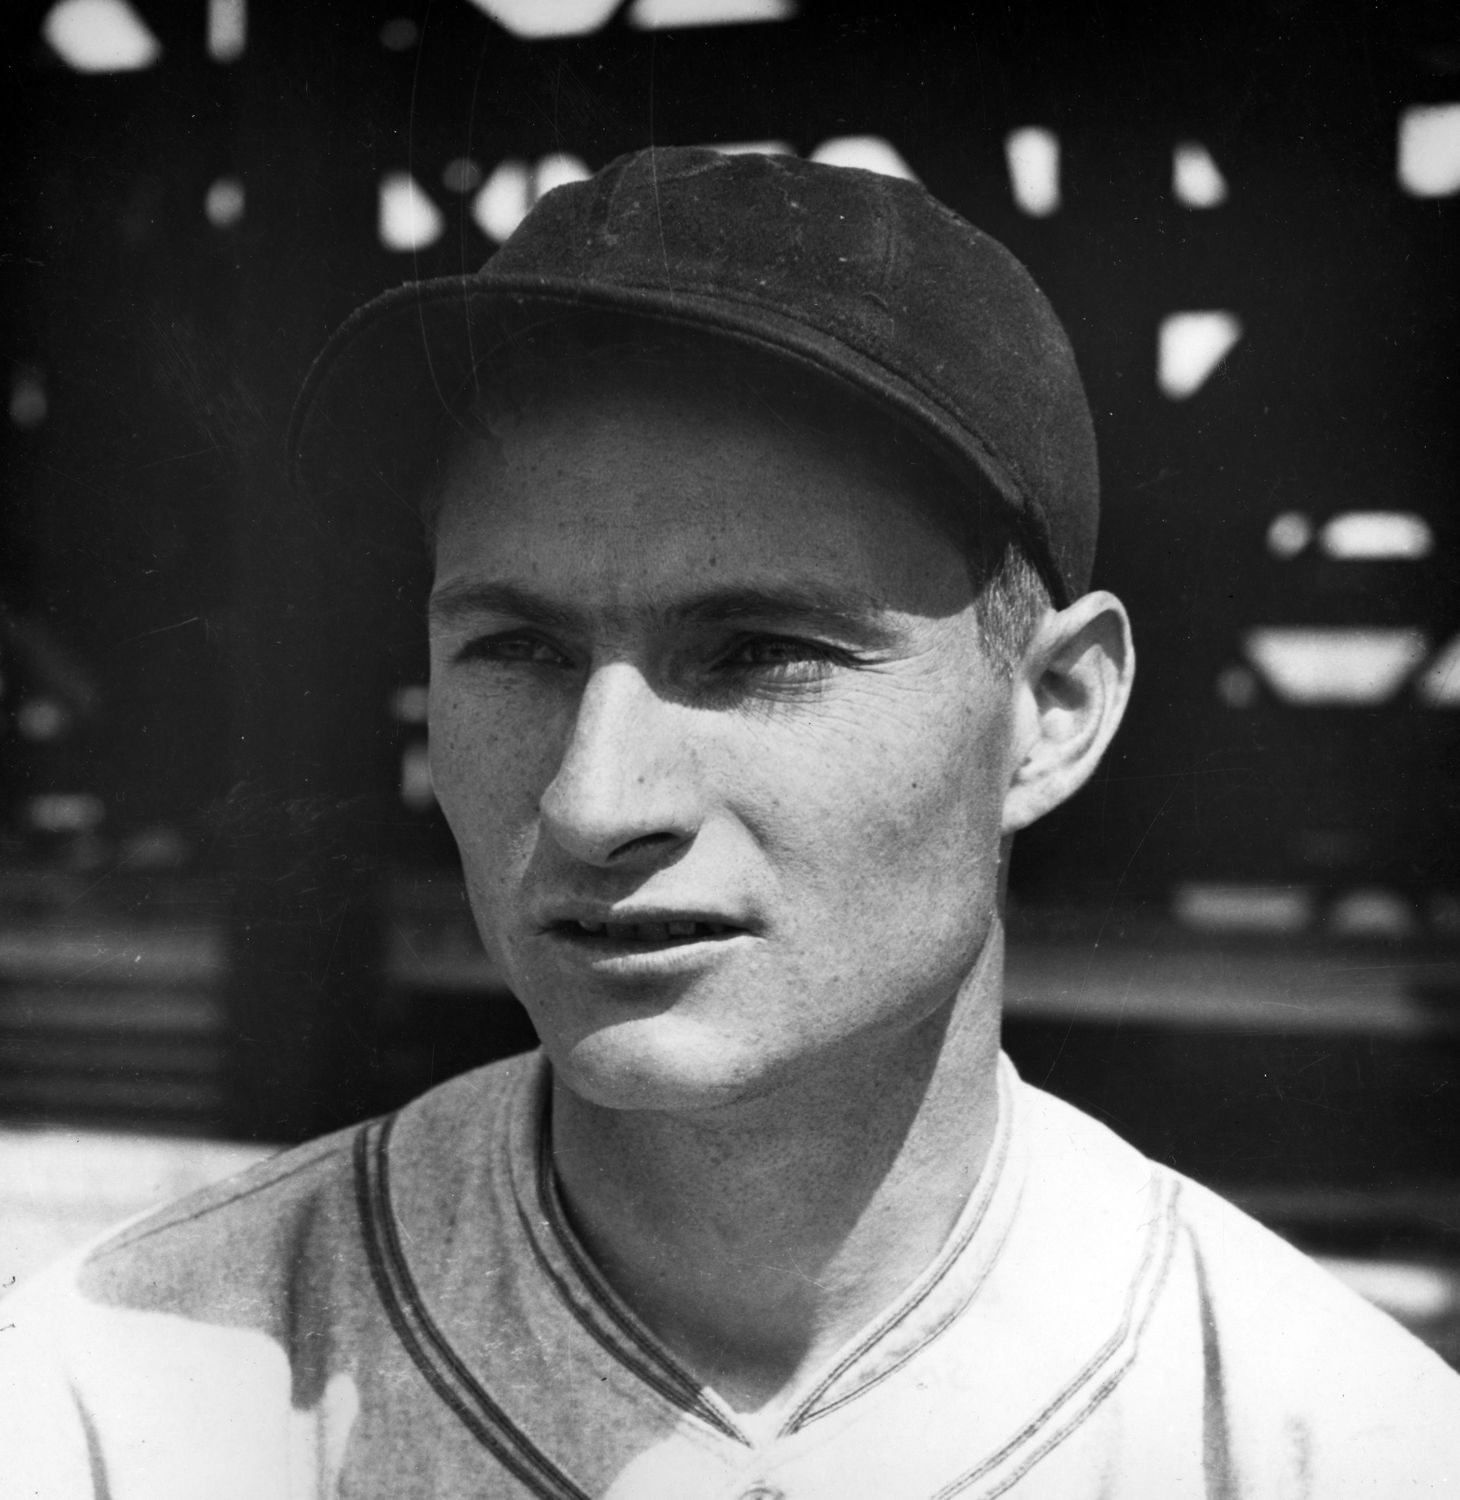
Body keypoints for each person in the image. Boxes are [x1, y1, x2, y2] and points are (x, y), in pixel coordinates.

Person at [2, 146, 1456, 1499]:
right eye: (518, 652)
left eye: (760, 653)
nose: (593, 798)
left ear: (1054, 709)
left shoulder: (1334, 1444)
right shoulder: (107, 1411)